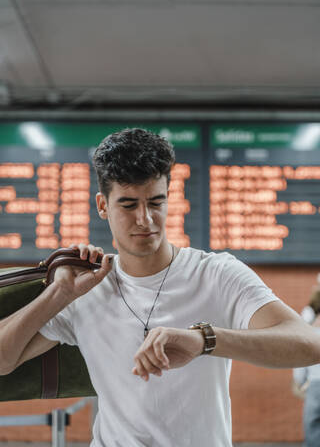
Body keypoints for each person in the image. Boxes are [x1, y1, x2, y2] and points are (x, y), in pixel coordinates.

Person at [0, 128, 320, 447]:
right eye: (128, 205)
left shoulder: (217, 274)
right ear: (102, 205)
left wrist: (204, 340)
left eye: (156, 202)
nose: (145, 219)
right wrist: (57, 295)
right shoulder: (86, 288)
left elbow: (310, 344)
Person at [294, 291, 320, 447]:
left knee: (312, 428)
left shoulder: (311, 327)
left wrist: (299, 380)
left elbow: (301, 355)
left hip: (316, 383)